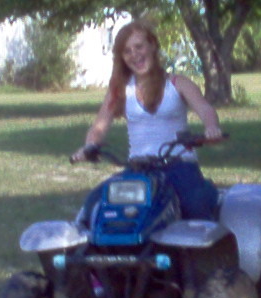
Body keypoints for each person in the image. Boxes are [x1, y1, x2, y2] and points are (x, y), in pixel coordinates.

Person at [71, 20, 222, 220]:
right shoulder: (120, 89)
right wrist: (89, 146)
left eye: (139, 46)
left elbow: (205, 109)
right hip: (138, 168)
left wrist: (211, 127)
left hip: (178, 164)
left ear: (153, 45)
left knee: (193, 207)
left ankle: (209, 246)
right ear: (122, 57)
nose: (135, 55)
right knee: (95, 204)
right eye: (127, 51)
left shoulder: (177, 83)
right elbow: (100, 125)